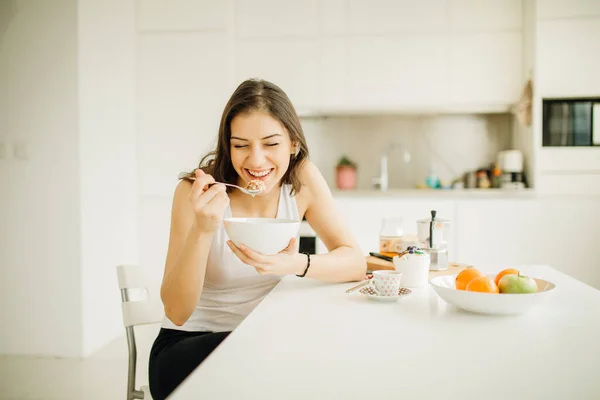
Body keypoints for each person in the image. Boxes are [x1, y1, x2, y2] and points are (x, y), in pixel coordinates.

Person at [148, 78, 366, 399]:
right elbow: (178, 311)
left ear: (293, 143)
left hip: (265, 339)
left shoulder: (302, 178)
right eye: (241, 145)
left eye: (271, 144)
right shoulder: (196, 192)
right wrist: (204, 229)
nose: (256, 160)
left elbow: (355, 261)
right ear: (227, 145)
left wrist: (296, 263)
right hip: (187, 347)